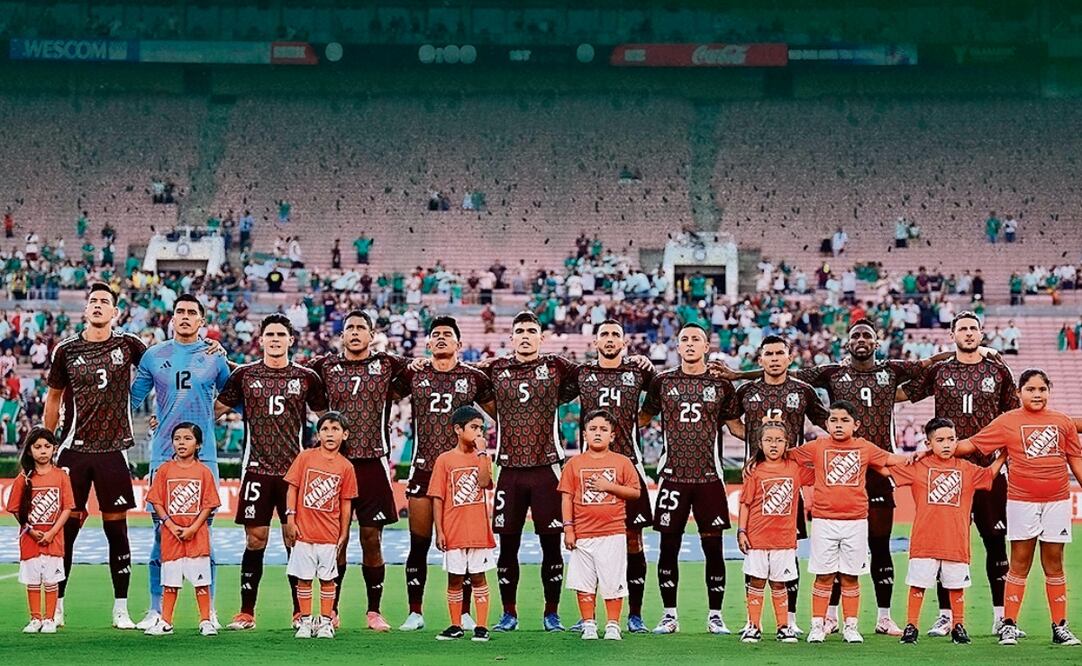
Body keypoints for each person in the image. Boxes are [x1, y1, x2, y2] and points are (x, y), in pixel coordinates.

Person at [792, 319, 957, 636]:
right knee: (835, 551)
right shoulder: (832, 374)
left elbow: (927, 365)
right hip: (840, 470)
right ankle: (829, 617)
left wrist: (970, 351)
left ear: (877, 342)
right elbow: (790, 375)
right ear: (847, 343)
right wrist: (737, 376)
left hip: (879, 469)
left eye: (867, 335)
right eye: (855, 335)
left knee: (880, 545)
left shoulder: (891, 371)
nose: (861, 339)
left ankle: (883, 617)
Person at [900, 311, 1019, 636]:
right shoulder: (940, 370)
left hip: (987, 469)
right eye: (962, 328)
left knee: (996, 542)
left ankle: (1001, 617)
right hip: (946, 472)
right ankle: (944, 617)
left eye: (973, 328)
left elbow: (1014, 414)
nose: (968, 333)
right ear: (952, 334)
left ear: (981, 333)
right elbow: (903, 393)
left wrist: (1007, 455)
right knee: (942, 545)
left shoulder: (998, 371)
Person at [951, 369, 1082, 646]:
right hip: (1021, 502)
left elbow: (1076, 461)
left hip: (1057, 501)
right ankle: (1009, 624)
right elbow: (972, 444)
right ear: (1018, 393)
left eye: (1042, 389)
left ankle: (1060, 627)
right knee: (1019, 562)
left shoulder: (1063, 422)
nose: (1037, 394)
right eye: (1031, 389)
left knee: (1054, 563)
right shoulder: (1007, 422)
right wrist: (939, 447)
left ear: (1049, 391)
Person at [215, 313, 328, 631]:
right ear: (260, 340)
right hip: (256, 470)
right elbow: (216, 410)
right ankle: (246, 612)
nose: (276, 339)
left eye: (282, 334)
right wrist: (174, 420)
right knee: (255, 539)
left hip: (295, 474)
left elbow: (328, 421)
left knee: (295, 539)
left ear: (291, 340)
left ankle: (299, 612)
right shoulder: (244, 376)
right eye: (270, 334)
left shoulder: (306, 378)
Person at [43, 282, 147, 629]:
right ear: (85, 311)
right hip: (74, 449)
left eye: (105, 302)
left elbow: (162, 367)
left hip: (113, 451)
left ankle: (121, 609)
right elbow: (54, 399)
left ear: (115, 312)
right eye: (93, 301)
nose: (98, 305)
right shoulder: (66, 350)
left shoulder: (129, 345)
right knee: (67, 529)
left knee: (116, 530)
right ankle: (56, 605)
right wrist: (47, 440)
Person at [130, 294, 232, 631]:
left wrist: (207, 415)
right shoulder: (154, 355)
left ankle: (209, 611)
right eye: (180, 312)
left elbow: (233, 397)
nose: (185, 317)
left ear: (202, 320)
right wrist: (160, 417)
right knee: (162, 534)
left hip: (205, 459)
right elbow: (131, 400)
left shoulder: (215, 356)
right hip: (163, 455)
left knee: (205, 535)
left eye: (192, 313)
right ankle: (156, 609)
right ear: (171, 318)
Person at [307, 310, 411, 631]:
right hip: (335, 466)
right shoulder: (324, 366)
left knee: (371, 539)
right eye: (349, 328)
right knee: (334, 541)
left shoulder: (387, 364)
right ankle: (331, 610)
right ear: (342, 336)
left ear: (371, 334)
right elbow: (299, 382)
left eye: (360, 328)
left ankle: (373, 611)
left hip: (373, 463)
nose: (354, 333)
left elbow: (416, 373)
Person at [479, 311, 580, 632]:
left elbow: (593, 374)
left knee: (552, 545)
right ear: (511, 338)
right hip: (509, 468)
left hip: (547, 468)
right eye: (519, 330)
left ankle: (552, 613)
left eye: (530, 331)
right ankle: (509, 613)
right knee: (507, 545)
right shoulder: (496, 368)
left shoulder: (556, 366)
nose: (524, 335)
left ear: (541, 337)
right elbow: (472, 382)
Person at [640, 322, 740, 635]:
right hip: (672, 478)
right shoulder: (663, 381)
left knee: (714, 549)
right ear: (678, 346)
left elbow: (737, 428)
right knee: (668, 547)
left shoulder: (722, 385)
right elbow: (642, 419)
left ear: (707, 346)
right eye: (685, 339)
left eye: (696, 339)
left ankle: (715, 616)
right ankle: (669, 615)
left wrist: (772, 436)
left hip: (710, 478)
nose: (690, 344)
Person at [395, 316, 495, 631]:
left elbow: (496, 409)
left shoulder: (473, 377)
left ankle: (464, 613)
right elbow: (384, 394)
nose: (441, 338)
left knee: (462, 544)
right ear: (427, 342)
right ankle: (415, 611)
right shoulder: (415, 374)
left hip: (463, 472)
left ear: (458, 344)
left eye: (447, 335)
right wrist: (407, 364)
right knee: (419, 543)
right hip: (424, 467)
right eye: (435, 334)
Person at [791, 400, 913, 643]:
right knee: (824, 575)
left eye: (844, 420)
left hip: (856, 521)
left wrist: (920, 456)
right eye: (834, 420)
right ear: (826, 424)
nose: (838, 425)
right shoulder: (816, 446)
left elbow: (891, 460)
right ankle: (818, 625)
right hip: (824, 520)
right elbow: (786, 456)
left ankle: (851, 626)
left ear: (856, 424)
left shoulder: (864, 447)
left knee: (850, 575)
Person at [730, 336, 828, 634]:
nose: (774, 358)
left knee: (789, 552)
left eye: (779, 353)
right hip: (757, 478)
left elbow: (825, 422)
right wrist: (755, 447)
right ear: (760, 360)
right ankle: (754, 623)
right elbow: (732, 421)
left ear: (789, 358)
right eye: (768, 353)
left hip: (790, 484)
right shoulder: (746, 390)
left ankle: (791, 620)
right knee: (755, 557)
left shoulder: (803, 391)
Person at [568, 320, 658, 633]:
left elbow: (661, 396)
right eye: (604, 334)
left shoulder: (639, 372)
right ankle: (588, 616)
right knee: (586, 541)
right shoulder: (581, 373)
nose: (609, 339)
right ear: (595, 342)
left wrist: (639, 421)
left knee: (634, 540)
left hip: (628, 465)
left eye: (615, 335)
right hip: (588, 470)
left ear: (624, 342)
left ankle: (634, 613)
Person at [889, 417, 1006, 645]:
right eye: (940, 440)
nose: (946, 444)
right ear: (928, 443)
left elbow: (989, 474)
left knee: (956, 587)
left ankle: (958, 626)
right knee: (918, 585)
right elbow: (887, 470)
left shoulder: (967, 468)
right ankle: (911, 626)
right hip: (925, 541)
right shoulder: (917, 467)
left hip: (956, 541)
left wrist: (1004, 455)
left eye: (951, 439)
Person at [560, 409, 641, 641]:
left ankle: (613, 624)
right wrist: (568, 528)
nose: (598, 433)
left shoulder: (622, 463)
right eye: (593, 429)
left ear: (613, 436)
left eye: (603, 430)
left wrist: (609, 487)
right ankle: (588, 624)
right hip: (582, 533)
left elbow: (635, 493)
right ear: (584, 434)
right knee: (583, 581)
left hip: (613, 532)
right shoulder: (574, 464)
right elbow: (566, 498)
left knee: (612, 580)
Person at [283, 412, 358, 640]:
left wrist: (344, 532)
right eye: (325, 429)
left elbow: (346, 504)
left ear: (344, 435)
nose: (330, 434)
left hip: (329, 534)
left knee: (328, 579)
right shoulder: (305, 458)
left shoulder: (346, 467)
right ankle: (305, 621)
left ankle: (326, 622)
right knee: (304, 578)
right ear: (318, 433)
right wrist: (290, 518)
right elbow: (292, 488)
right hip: (304, 532)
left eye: (335, 429)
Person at [143, 423, 221, 637]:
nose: (181, 443)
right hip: (171, 537)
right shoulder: (165, 470)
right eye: (177, 438)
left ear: (198, 444)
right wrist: (170, 524)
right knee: (170, 582)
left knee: (202, 581)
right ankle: (165, 621)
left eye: (187, 438)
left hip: (197, 538)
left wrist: (194, 528)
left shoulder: (204, 472)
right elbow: (156, 501)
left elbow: (209, 504)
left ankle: (206, 620)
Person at [430, 406, 496, 642]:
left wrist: (481, 455)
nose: (479, 433)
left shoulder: (483, 457)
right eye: (474, 428)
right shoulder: (445, 460)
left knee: (479, 576)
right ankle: (455, 624)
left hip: (477, 530)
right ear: (458, 429)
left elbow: (484, 482)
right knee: (455, 578)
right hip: (453, 529)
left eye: (481, 428)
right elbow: (437, 497)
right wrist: (439, 530)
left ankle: (482, 626)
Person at [738, 421, 807, 643]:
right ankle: (753, 626)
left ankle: (784, 627)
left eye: (779, 440)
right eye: (768, 440)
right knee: (756, 581)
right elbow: (745, 504)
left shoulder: (795, 468)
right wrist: (741, 531)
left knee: (780, 583)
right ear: (760, 443)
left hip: (784, 540)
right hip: (757, 539)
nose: (774, 445)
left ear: (787, 443)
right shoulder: (754, 471)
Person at [5, 427, 74, 634]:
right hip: (30, 541)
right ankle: (35, 618)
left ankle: (50, 619)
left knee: (51, 580)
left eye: (47, 446)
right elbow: (15, 509)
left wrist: (52, 532)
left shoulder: (61, 476)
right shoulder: (24, 479)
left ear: (54, 449)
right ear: (29, 451)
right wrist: (29, 529)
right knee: (33, 580)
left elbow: (67, 507)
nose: (42, 451)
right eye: (37, 447)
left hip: (54, 540)